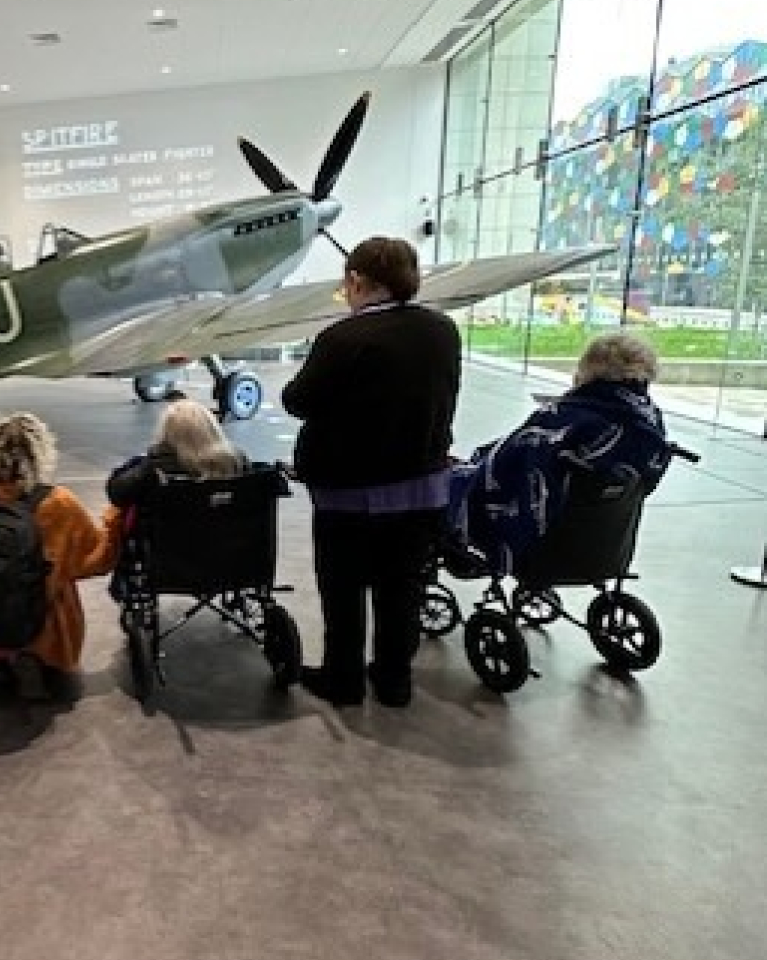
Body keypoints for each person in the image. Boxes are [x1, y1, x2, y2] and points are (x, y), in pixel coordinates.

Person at [280, 236, 461, 708]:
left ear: (357, 281)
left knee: (344, 589)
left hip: (349, 491)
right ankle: (394, 681)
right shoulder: (443, 331)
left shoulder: (343, 338)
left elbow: (299, 400)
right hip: (422, 487)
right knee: (402, 589)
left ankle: (344, 680)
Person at [449, 332, 670, 576]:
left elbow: (507, 464)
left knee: (447, 484)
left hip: (540, 545)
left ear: (590, 367)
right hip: (603, 547)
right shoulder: (648, 425)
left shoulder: (562, 420)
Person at [0, 412, 121, 700]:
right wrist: (115, 521)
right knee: (58, 583)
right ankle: (53, 665)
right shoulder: (60, 503)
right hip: (44, 611)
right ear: (41, 453)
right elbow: (95, 560)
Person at [106, 398, 248, 510]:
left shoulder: (154, 468)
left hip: (168, 543)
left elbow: (116, 494)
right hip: (231, 541)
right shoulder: (236, 461)